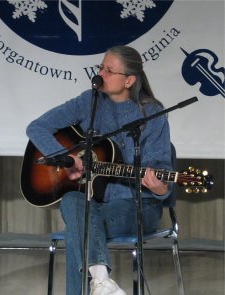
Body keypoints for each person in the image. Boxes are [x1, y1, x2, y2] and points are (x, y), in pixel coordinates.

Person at [26, 45, 172, 295]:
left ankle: (101, 283)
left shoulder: (153, 114)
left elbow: (162, 174)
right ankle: (102, 282)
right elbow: (37, 127)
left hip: (138, 204)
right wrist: (67, 158)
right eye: (100, 68)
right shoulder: (89, 101)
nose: (100, 75)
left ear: (129, 80)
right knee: (72, 200)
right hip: (94, 202)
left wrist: (160, 188)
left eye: (109, 70)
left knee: (79, 229)